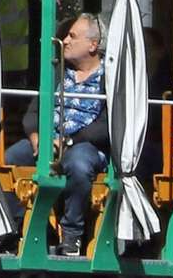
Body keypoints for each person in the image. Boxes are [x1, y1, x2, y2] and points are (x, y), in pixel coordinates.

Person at [6, 14, 111, 256]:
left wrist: (68, 142)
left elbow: (107, 125)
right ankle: (23, 226)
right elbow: (33, 112)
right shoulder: (58, 72)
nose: (65, 40)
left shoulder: (109, 76)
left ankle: (72, 233)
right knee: (12, 156)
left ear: (93, 45)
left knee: (79, 164)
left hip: (85, 143)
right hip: (49, 140)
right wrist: (37, 139)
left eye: (72, 36)